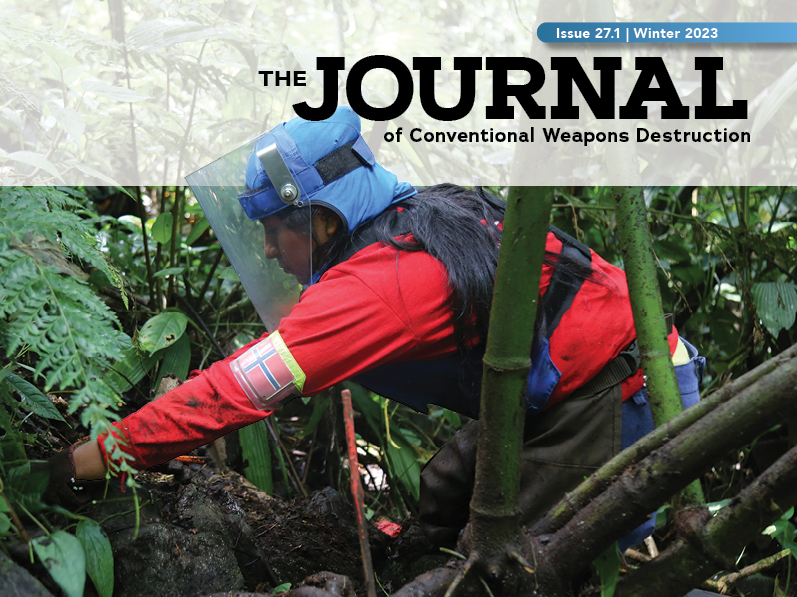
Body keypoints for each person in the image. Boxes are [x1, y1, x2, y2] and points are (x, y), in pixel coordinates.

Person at [41, 107, 704, 550]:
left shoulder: (380, 286)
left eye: (275, 232)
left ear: (323, 221)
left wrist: (92, 460)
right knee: (448, 493)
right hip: (573, 385)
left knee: (538, 562)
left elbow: (234, 393)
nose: (269, 253)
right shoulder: (417, 218)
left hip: (622, 397)